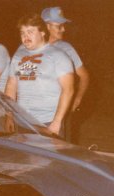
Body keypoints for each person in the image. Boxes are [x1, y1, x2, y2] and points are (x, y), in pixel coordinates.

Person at [4, 13, 74, 135]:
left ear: (42, 32)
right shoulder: (18, 55)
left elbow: (68, 90)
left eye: (30, 32)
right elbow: (11, 85)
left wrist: (57, 122)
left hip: (48, 122)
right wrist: (9, 115)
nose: (25, 36)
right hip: (22, 121)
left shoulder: (58, 56)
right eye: (22, 33)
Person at [42, 6, 90, 141]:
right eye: (59, 26)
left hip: (59, 110)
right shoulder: (32, 48)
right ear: (46, 26)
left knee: (59, 149)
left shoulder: (65, 48)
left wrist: (77, 99)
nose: (63, 29)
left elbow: (84, 76)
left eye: (63, 26)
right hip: (35, 110)